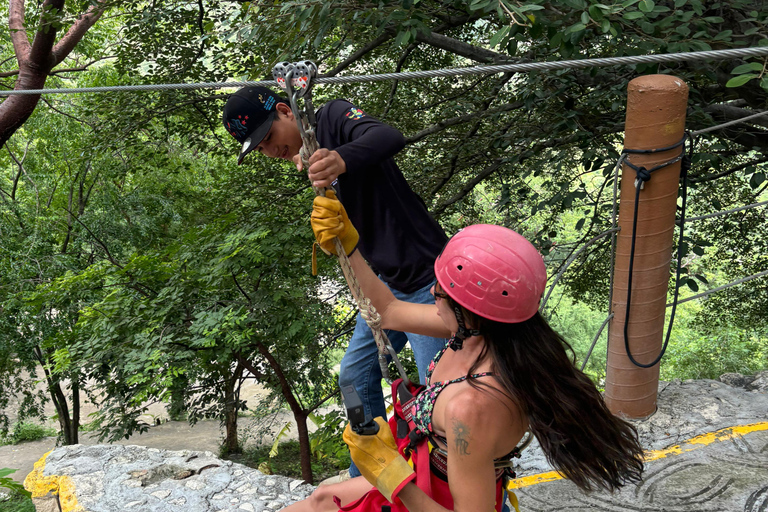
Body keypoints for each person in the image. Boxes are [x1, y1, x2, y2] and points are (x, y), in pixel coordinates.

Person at [283, 192, 645, 512]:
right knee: (318, 499)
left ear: (468, 308)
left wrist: (391, 477)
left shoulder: (472, 406)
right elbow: (388, 312)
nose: (432, 295)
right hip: (421, 469)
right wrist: (349, 248)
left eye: (439, 291)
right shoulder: (480, 334)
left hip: (428, 495)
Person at [222, 87, 449, 478]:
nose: (267, 151)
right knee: (355, 375)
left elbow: (387, 136)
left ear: (284, 111)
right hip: (384, 285)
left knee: (443, 397)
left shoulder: (333, 117)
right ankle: (375, 477)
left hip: (428, 281)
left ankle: (459, 490)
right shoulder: (312, 158)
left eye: (267, 138)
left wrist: (339, 159)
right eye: (258, 148)